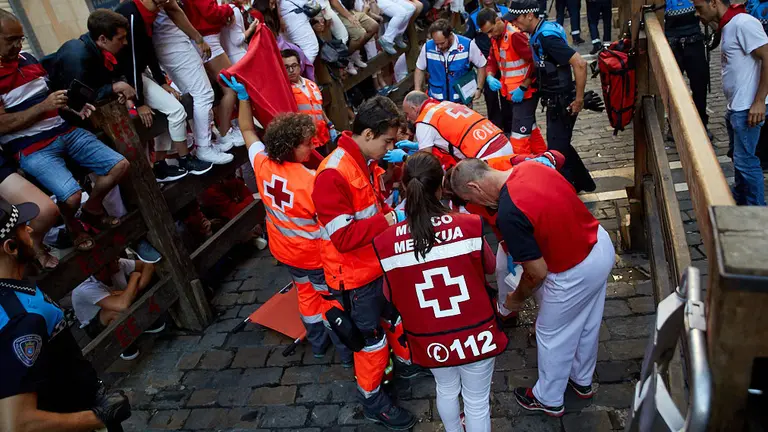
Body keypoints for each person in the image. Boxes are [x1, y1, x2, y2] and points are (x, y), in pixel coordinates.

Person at [450, 158, 614, 417]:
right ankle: (581, 380)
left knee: (551, 334)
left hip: (574, 270)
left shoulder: (508, 211)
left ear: (475, 187)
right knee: (587, 321)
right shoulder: (531, 167)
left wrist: (516, 299)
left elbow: (537, 273)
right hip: (599, 245)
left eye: (472, 199)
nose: (478, 206)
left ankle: (548, 398)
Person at [222, 75, 356, 366]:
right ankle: (346, 353)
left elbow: (246, 128)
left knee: (305, 296)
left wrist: (244, 98)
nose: (311, 148)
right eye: (307, 144)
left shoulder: (262, 163)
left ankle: (318, 346)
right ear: (292, 147)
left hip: (285, 252)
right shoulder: (311, 181)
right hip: (315, 257)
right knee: (330, 302)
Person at [372, 152, 508, 432]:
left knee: (445, 388)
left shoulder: (385, 242)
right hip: (476, 330)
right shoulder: (469, 226)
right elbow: (491, 266)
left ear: (405, 188)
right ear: (440, 187)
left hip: (427, 336)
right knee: (476, 401)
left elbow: (388, 293)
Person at [311, 96, 418, 429]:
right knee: (371, 341)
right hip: (354, 278)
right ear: (369, 134)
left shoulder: (363, 163)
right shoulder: (333, 174)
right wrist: (389, 220)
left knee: (392, 318)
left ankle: (404, 365)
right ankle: (373, 401)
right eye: (387, 141)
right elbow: (343, 238)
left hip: (373, 267)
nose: (389, 148)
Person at [1, 10, 130, 253]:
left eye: (20, 38)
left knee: (120, 165)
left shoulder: (27, 58)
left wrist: (72, 105)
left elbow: (49, 96)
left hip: (64, 130)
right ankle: (72, 225)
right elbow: (2, 124)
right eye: (11, 40)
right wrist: (44, 107)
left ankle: (91, 209)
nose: (19, 44)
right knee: (70, 196)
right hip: (31, 147)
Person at [0, 198, 132, 431]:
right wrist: (99, 418)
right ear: (10, 247)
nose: (30, 228)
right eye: (22, 228)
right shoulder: (21, 319)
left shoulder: (14, 286)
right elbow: (18, 423)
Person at [111, 2, 216, 182]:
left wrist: (161, 82)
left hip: (137, 73)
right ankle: (185, 159)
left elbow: (148, 50)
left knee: (168, 111)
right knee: (175, 110)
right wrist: (139, 102)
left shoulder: (148, 12)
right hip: (124, 75)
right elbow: (133, 61)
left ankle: (160, 164)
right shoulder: (133, 14)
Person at [508, 0, 596, 193]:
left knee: (556, 150)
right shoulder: (538, 33)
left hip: (563, 101)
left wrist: (579, 99)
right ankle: (584, 183)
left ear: (529, 15)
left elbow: (580, 63)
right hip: (555, 100)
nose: (514, 23)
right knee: (561, 144)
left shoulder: (547, 38)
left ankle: (565, 192)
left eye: (516, 19)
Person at [694, 0, 768, 206]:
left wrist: (759, 101)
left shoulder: (743, 23)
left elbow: (767, 56)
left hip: (747, 107)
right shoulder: (729, 25)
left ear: (714, 3)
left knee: (747, 162)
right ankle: (742, 205)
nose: (696, 14)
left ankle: (756, 213)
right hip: (737, 106)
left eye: (700, 8)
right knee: (740, 160)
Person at [151, 10, 235, 165]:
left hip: (171, 40)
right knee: (203, 94)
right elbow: (174, 10)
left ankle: (203, 144)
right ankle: (204, 147)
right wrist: (198, 38)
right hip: (172, 41)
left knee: (197, 95)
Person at [477, 8, 547, 154]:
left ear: (497, 21)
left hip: (525, 93)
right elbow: (492, 60)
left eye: (491, 31)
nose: (490, 35)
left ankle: (526, 170)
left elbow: (535, 63)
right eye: (487, 33)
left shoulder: (514, 36)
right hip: (513, 94)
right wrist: (490, 75)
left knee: (518, 140)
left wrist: (523, 87)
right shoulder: (496, 37)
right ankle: (546, 160)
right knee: (530, 130)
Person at [71, 258, 163, 361]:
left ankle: (144, 324)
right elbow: (122, 305)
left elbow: (148, 265)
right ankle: (124, 346)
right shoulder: (85, 287)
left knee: (134, 291)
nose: (118, 261)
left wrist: (136, 288)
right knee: (115, 311)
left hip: (118, 301)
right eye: (113, 261)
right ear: (101, 270)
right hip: (95, 323)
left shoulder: (117, 263)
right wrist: (134, 277)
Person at [183, 0, 245, 149]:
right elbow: (210, 12)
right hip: (207, 40)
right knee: (230, 87)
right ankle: (225, 133)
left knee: (221, 89)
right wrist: (229, 9)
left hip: (206, 39)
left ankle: (223, 131)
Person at [401, 91, 515, 169]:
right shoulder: (446, 104)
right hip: (503, 142)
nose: (407, 118)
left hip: (487, 156)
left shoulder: (424, 121)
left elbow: (426, 162)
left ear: (414, 109)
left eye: (407, 114)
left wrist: (405, 157)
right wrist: (418, 146)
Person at [664, 0, 710, 138]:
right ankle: (674, 126)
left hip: (694, 39)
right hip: (672, 41)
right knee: (673, 87)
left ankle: (701, 123)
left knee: (700, 84)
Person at [414, 19, 487, 104]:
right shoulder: (427, 47)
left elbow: (481, 65)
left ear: (450, 36)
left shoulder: (467, 45)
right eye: (436, 43)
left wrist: (479, 88)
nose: (439, 47)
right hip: (436, 101)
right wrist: (417, 91)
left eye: (442, 43)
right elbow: (419, 68)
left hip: (461, 102)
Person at [464, 0, 509, 132]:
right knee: (491, 98)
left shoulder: (505, 11)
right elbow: (468, 39)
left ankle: (509, 125)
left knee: (507, 97)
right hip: (486, 62)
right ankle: (496, 127)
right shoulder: (474, 16)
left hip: (505, 60)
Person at [281, 49, 337, 150]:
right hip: (305, 143)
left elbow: (318, 108)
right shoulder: (284, 90)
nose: (291, 70)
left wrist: (330, 124)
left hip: (321, 137)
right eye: (286, 67)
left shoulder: (311, 84)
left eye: (294, 66)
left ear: (299, 65)